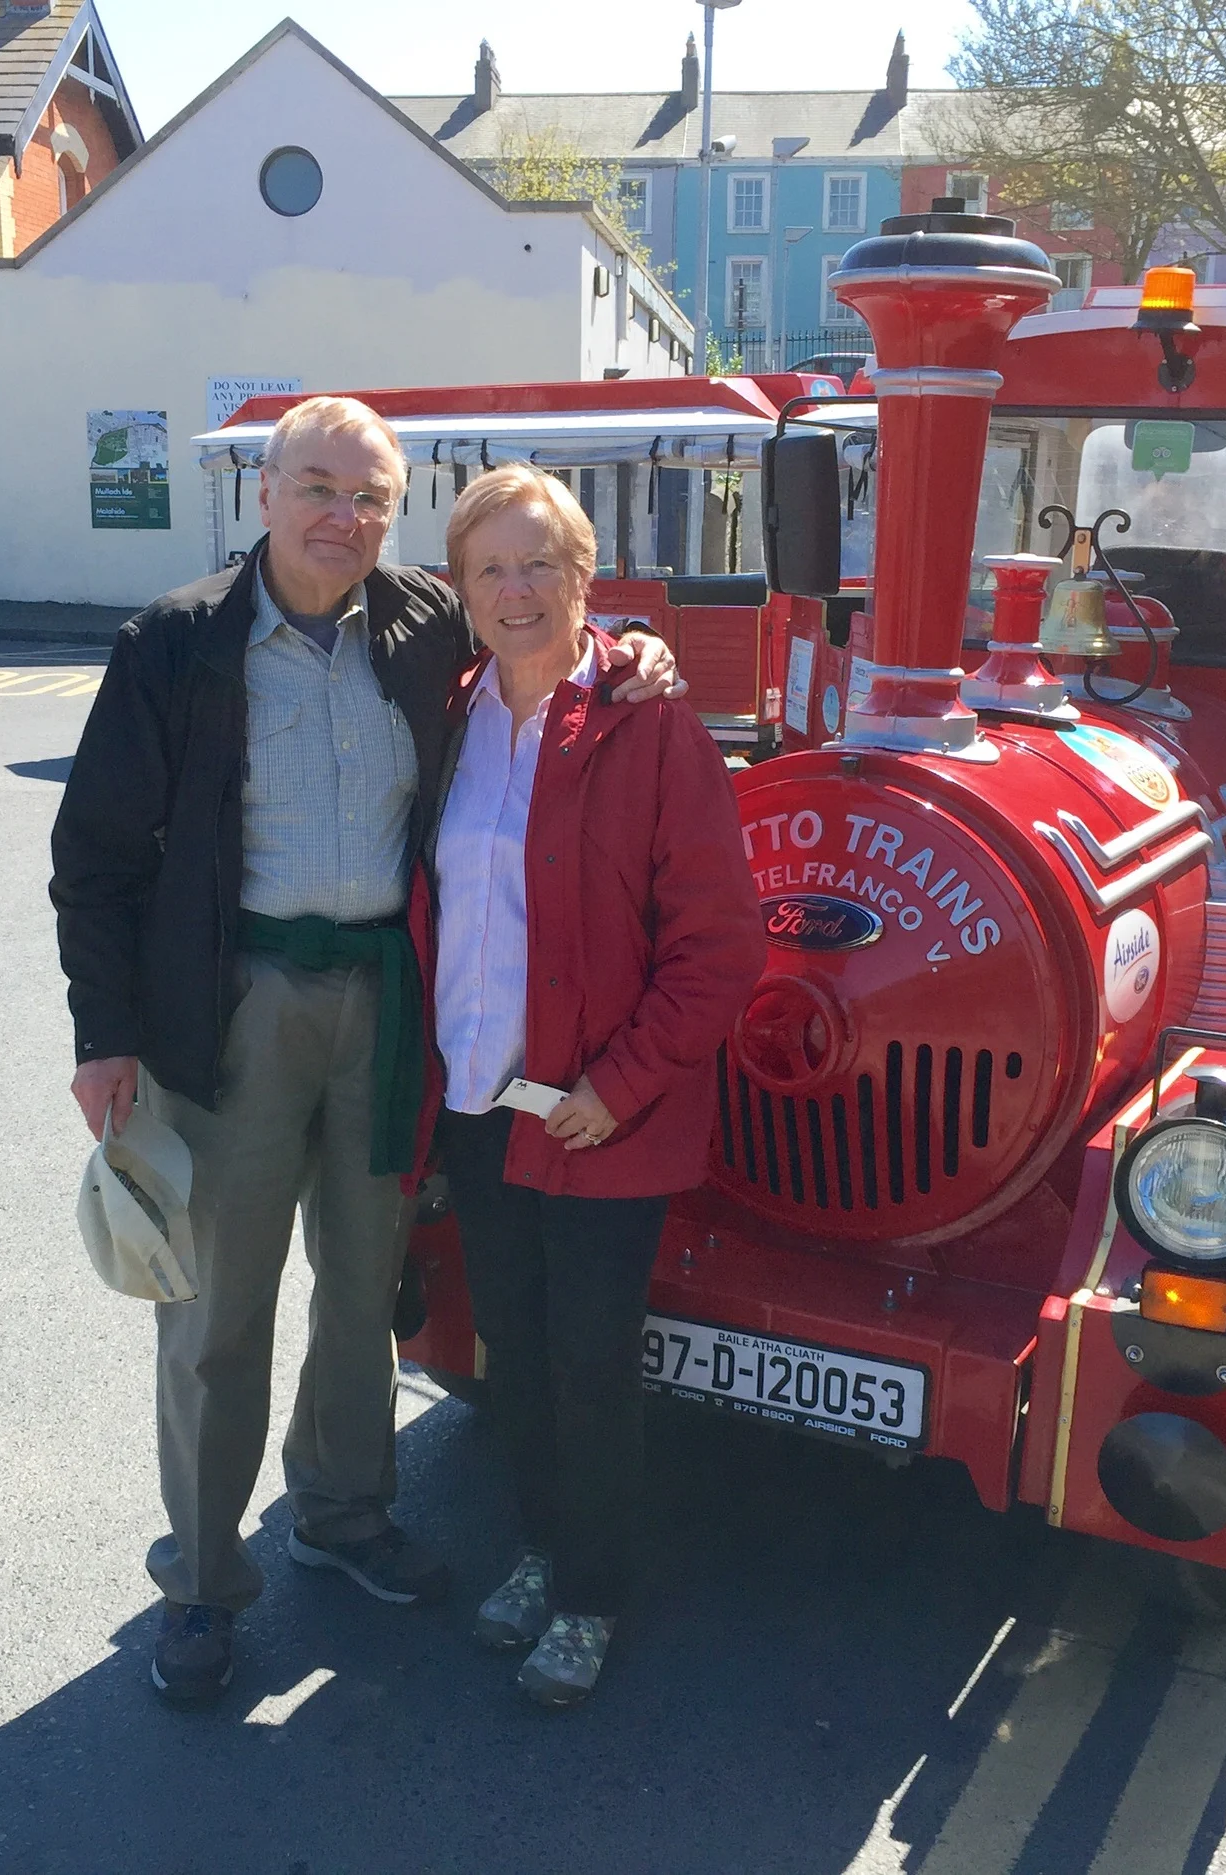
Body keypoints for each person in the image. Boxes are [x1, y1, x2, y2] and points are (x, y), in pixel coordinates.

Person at [49, 399, 681, 1710]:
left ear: (397, 514)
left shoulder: (420, 624)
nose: (344, 516)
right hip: (232, 1007)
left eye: (372, 496)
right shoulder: (175, 644)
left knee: (364, 1282)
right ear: (266, 494)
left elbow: (546, 630)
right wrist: (104, 1033)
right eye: (318, 486)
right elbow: (98, 859)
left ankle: (340, 1510)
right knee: (216, 1306)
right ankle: (206, 1578)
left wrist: (634, 650)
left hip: (394, 1000)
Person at [422, 466, 766, 1709]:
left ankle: (590, 1593)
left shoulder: (645, 721)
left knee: (587, 1358)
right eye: (489, 570)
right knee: (510, 1347)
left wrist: (618, 1086)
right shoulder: (447, 710)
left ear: (586, 580)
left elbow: (721, 946)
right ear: (458, 591)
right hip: (476, 1100)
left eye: (539, 567)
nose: (515, 593)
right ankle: (537, 1547)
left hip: (596, 1111)